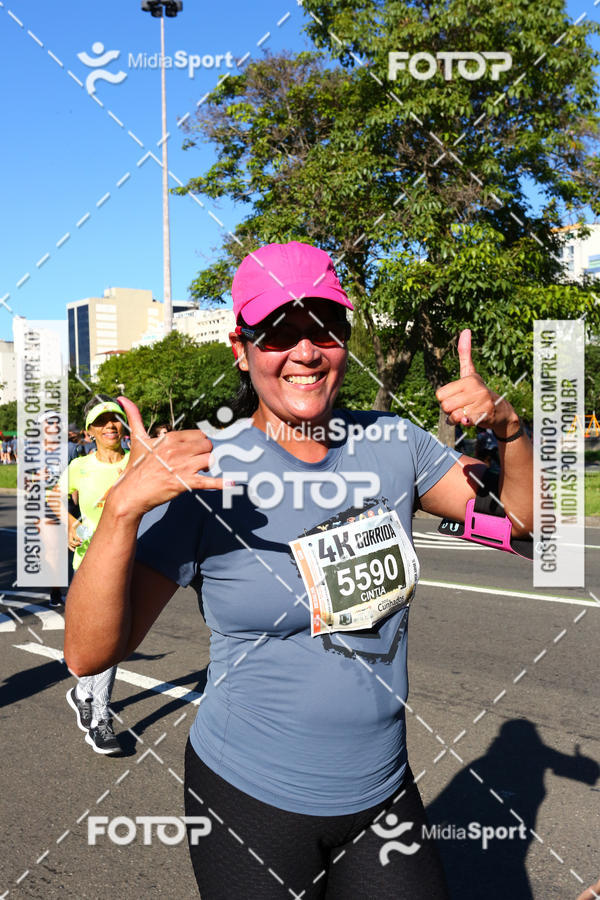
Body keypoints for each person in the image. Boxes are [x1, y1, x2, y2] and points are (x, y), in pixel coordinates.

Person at [65, 242, 533, 897]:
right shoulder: (204, 469)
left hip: (381, 793)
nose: (306, 351)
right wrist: (120, 510)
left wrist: (509, 427)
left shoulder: (396, 446)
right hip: (248, 800)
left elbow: (514, 522)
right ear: (241, 347)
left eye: (326, 328)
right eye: (278, 332)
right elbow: (90, 654)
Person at [62, 396, 130, 754]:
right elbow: (56, 499)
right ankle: (99, 718)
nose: (110, 426)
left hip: (131, 561)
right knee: (104, 641)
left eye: (115, 420)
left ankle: (86, 696)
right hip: (89, 564)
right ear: (90, 432)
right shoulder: (78, 467)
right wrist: (71, 524)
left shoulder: (136, 463)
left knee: (113, 641)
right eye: (102, 422)